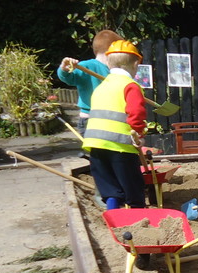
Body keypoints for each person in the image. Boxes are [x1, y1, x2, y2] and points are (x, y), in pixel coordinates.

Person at [82, 40, 147, 210]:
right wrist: (139, 134)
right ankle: (137, 213)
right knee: (132, 185)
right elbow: (136, 114)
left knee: (109, 186)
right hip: (120, 146)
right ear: (135, 64)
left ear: (109, 63)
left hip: (95, 145)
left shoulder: (102, 87)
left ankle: (113, 213)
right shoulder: (131, 86)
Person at [57, 30, 124, 133]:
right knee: (94, 148)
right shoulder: (87, 66)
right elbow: (69, 78)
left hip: (108, 119)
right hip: (90, 118)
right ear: (111, 52)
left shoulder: (114, 70)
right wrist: (64, 69)